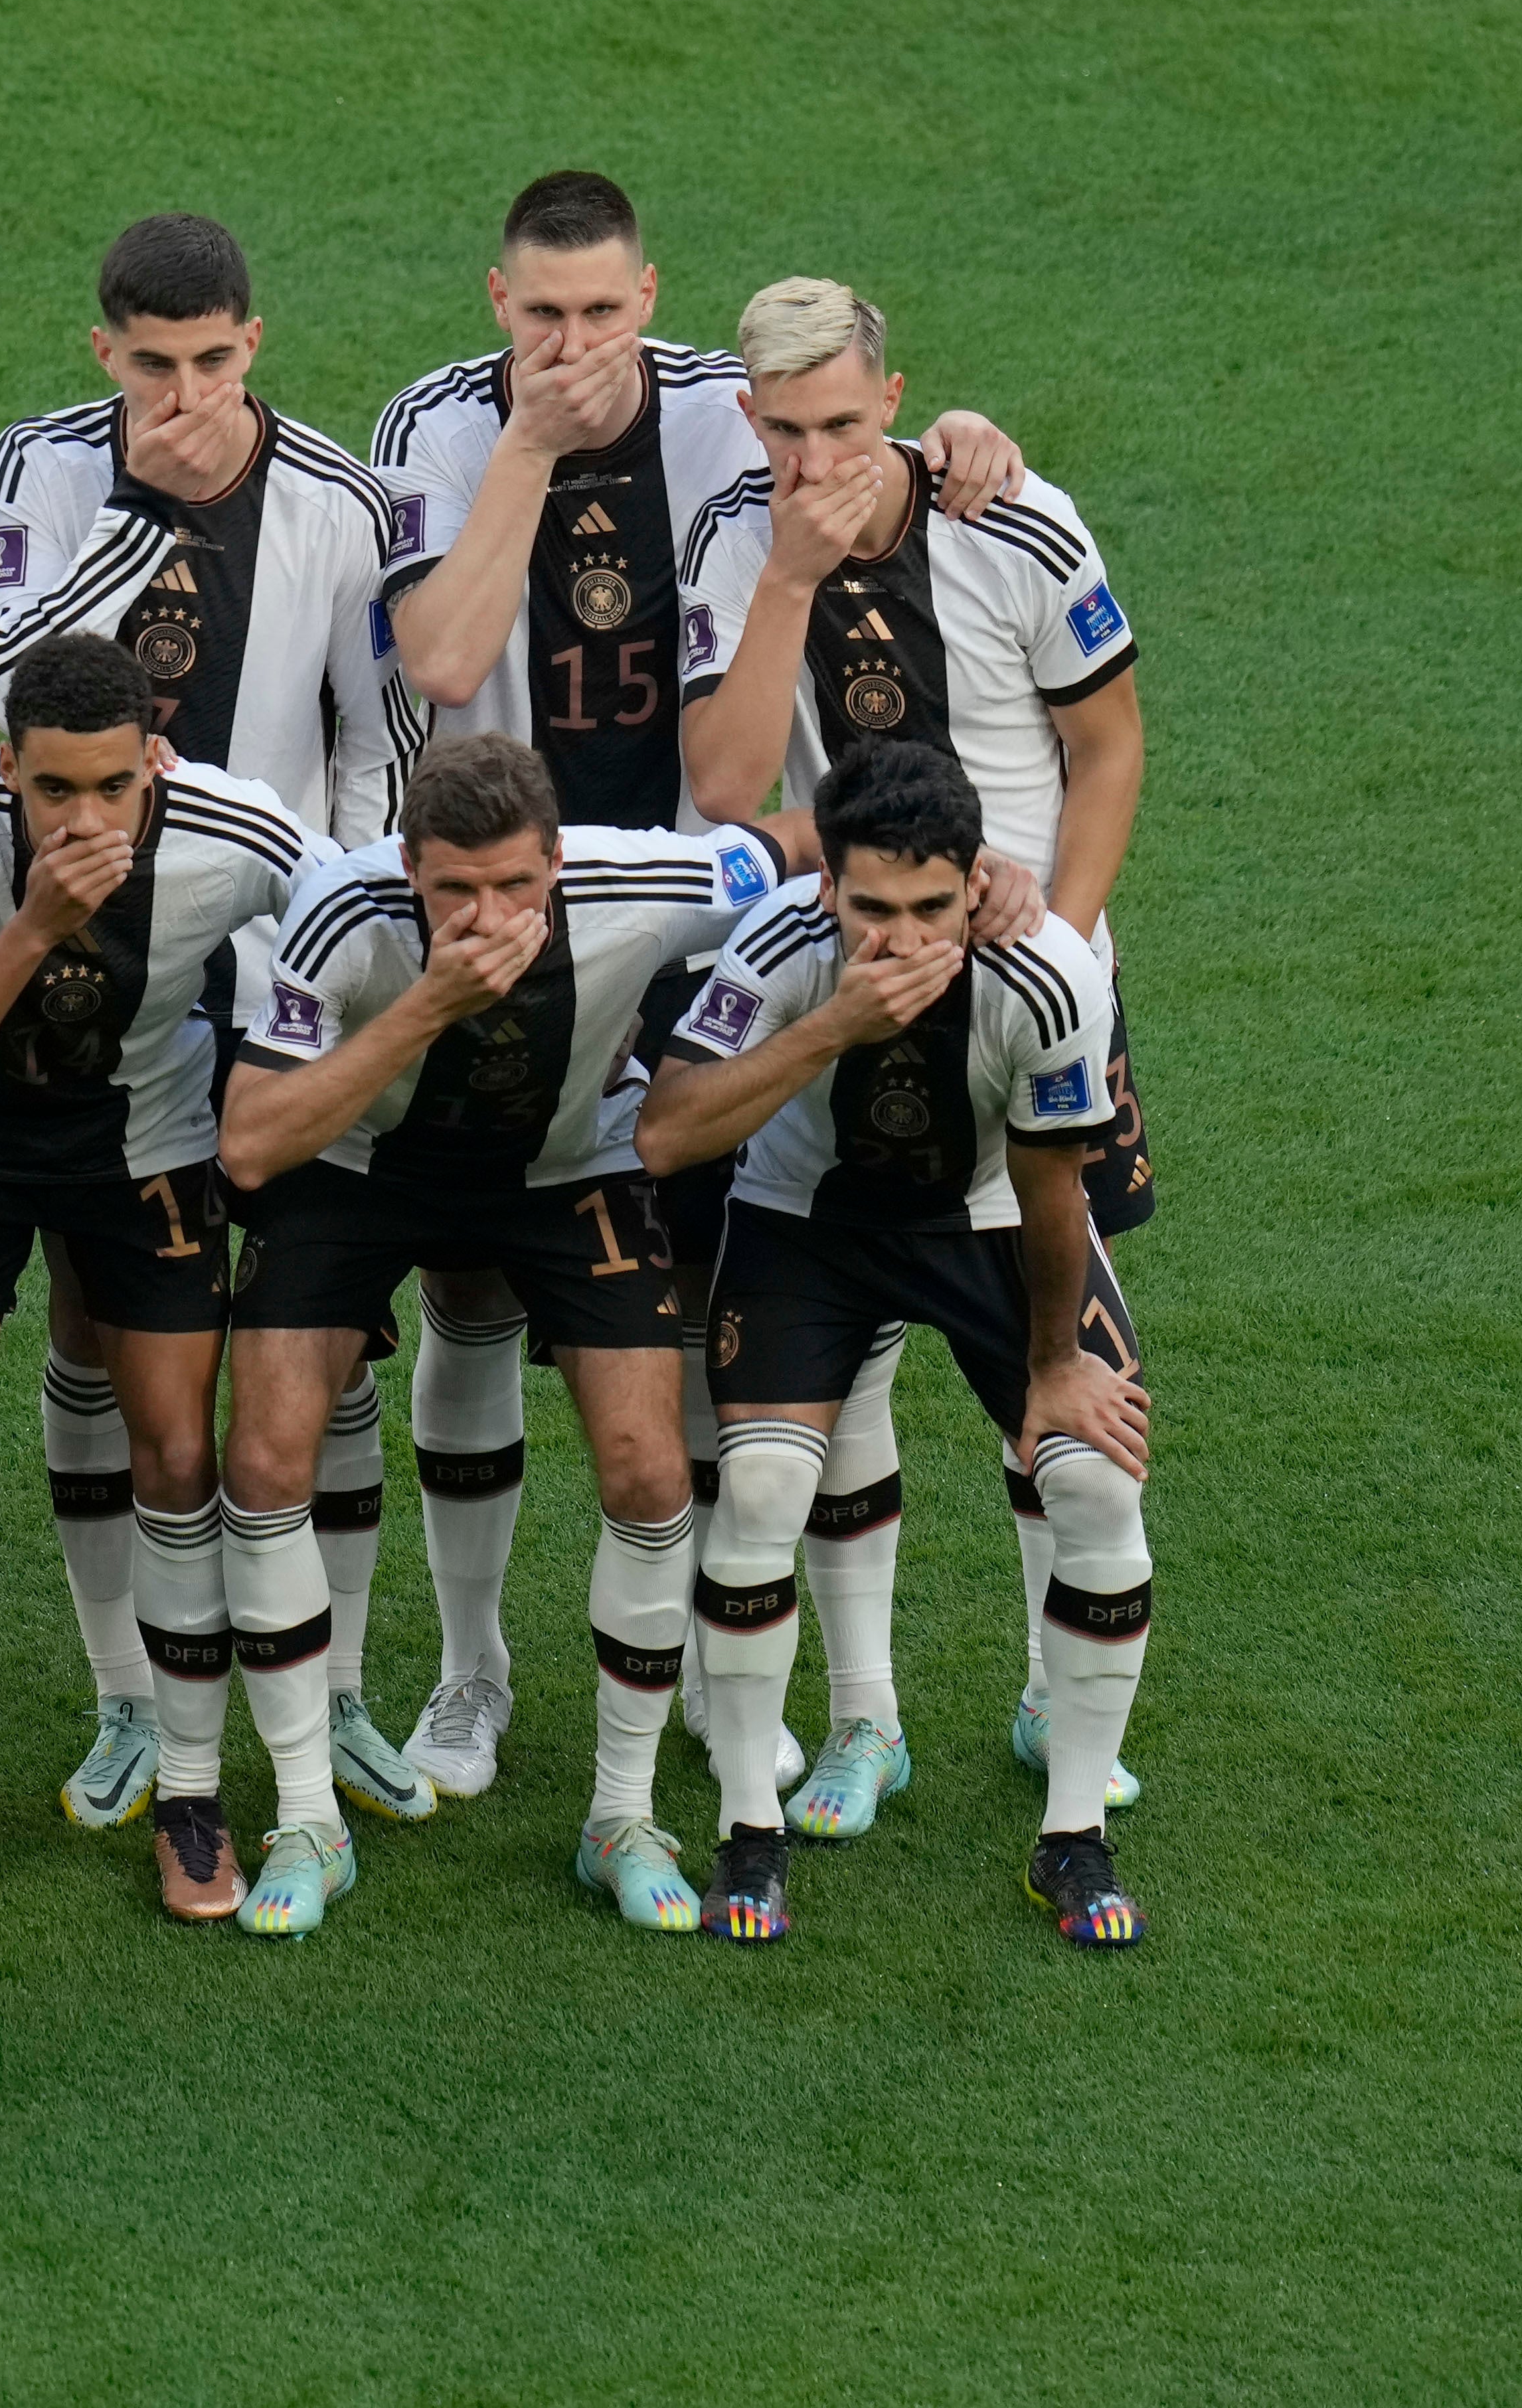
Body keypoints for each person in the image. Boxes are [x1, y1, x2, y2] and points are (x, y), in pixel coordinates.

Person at [371, 174, 1030, 1812]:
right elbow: (444, 665)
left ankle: (721, 1673)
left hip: (696, 910)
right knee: (467, 1288)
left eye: (603, 314)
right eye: (542, 314)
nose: (576, 344)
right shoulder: (436, 429)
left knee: (727, 1292)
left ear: (648, 296)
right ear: (494, 303)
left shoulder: (725, 421)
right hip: (499, 909)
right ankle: (469, 1679)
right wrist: (528, 443)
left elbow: (851, 456)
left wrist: (958, 435)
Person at [678, 276, 1151, 1837]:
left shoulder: (1015, 519)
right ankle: (863, 1719)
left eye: (837, 422)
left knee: (1045, 1358)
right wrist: (787, 582)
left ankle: (1042, 1685)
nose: (810, 457)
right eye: (782, 430)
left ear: (891, 397)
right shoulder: (736, 543)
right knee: (847, 1349)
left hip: (1022, 991)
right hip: (848, 956)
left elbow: (1107, 747)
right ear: (749, 419)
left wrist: (1058, 948)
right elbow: (726, 785)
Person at [0, 212, 422, 1832]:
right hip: (100, 948)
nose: (184, 388)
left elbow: (381, 740)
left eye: (212, 360)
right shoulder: (30, 469)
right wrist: (137, 509)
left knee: (323, 1321)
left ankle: (345, 1683)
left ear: (255, 341)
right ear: (102, 351)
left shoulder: (349, 503)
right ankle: (122, 1697)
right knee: (101, 1321)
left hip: (283, 944)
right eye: (150, 363)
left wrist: (345, 920)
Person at [216, 735, 814, 1935]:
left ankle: (622, 1818)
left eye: (512, 886)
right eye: (451, 889)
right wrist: (432, 1000)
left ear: (557, 860)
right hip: (358, 1163)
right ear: (408, 864)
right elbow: (249, 1142)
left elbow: (793, 842)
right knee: (264, 1462)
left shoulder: (642, 881)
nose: (484, 913)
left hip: (565, 1164)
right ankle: (304, 1819)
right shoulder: (343, 909)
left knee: (652, 1476)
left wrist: (994, 872)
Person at [0, 634, 321, 1925]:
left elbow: (355, 920)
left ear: (153, 755)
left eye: (112, 787)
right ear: (7, 767)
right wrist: (39, 921)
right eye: (54, 790)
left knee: (174, 1456)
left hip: (143, 1145)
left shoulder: (234, 830)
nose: (85, 815)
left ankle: (187, 1791)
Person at [637, 743, 1153, 1949]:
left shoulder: (1049, 972)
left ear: (978, 881)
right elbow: (667, 1133)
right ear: (830, 891)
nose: (905, 938)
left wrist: (1052, 1368)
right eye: (872, 908)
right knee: (760, 1481)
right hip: (805, 1219)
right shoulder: (775, 948)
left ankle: (1073, 1836)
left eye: (933, 907)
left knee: (1093, 1480)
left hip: (983, 1218)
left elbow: (1048, 1180)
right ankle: (748, 1832)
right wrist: (833, 1026)